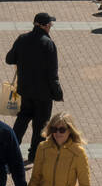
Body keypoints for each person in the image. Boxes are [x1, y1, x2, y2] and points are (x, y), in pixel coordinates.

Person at [5, 12, 63, 164]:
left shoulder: (22, 39)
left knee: (22, 120)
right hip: (43, 95)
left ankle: (10, 151)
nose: (51, 27)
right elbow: (52, 73)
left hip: (24, 91)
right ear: (44, 26)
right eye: (50, 24)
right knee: (40, 125)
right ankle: (34, 155)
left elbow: (9, 59)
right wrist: (57, 92)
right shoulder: (48, 44)